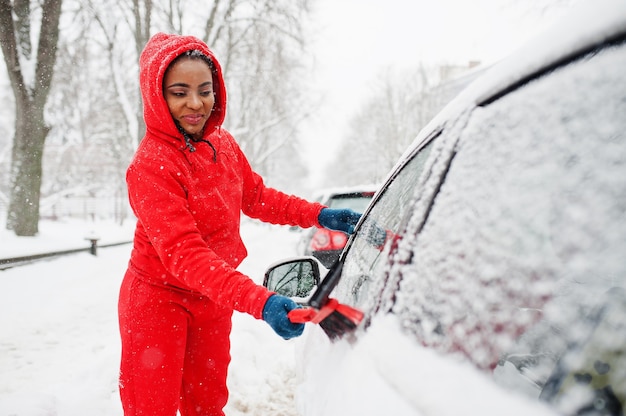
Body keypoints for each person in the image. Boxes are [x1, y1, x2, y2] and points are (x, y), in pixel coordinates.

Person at [117, 32, 362, 416]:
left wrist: (318, 214)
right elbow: (186, 255)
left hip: (212, 298)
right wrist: (259, 302)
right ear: (157, 96)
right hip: (159, 299)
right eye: (179, 92)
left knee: (207, 405)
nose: (195, 103)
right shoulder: (151, 166)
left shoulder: (224, 145)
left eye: (205, 90)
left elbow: (257, 197)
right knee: (152, 408)